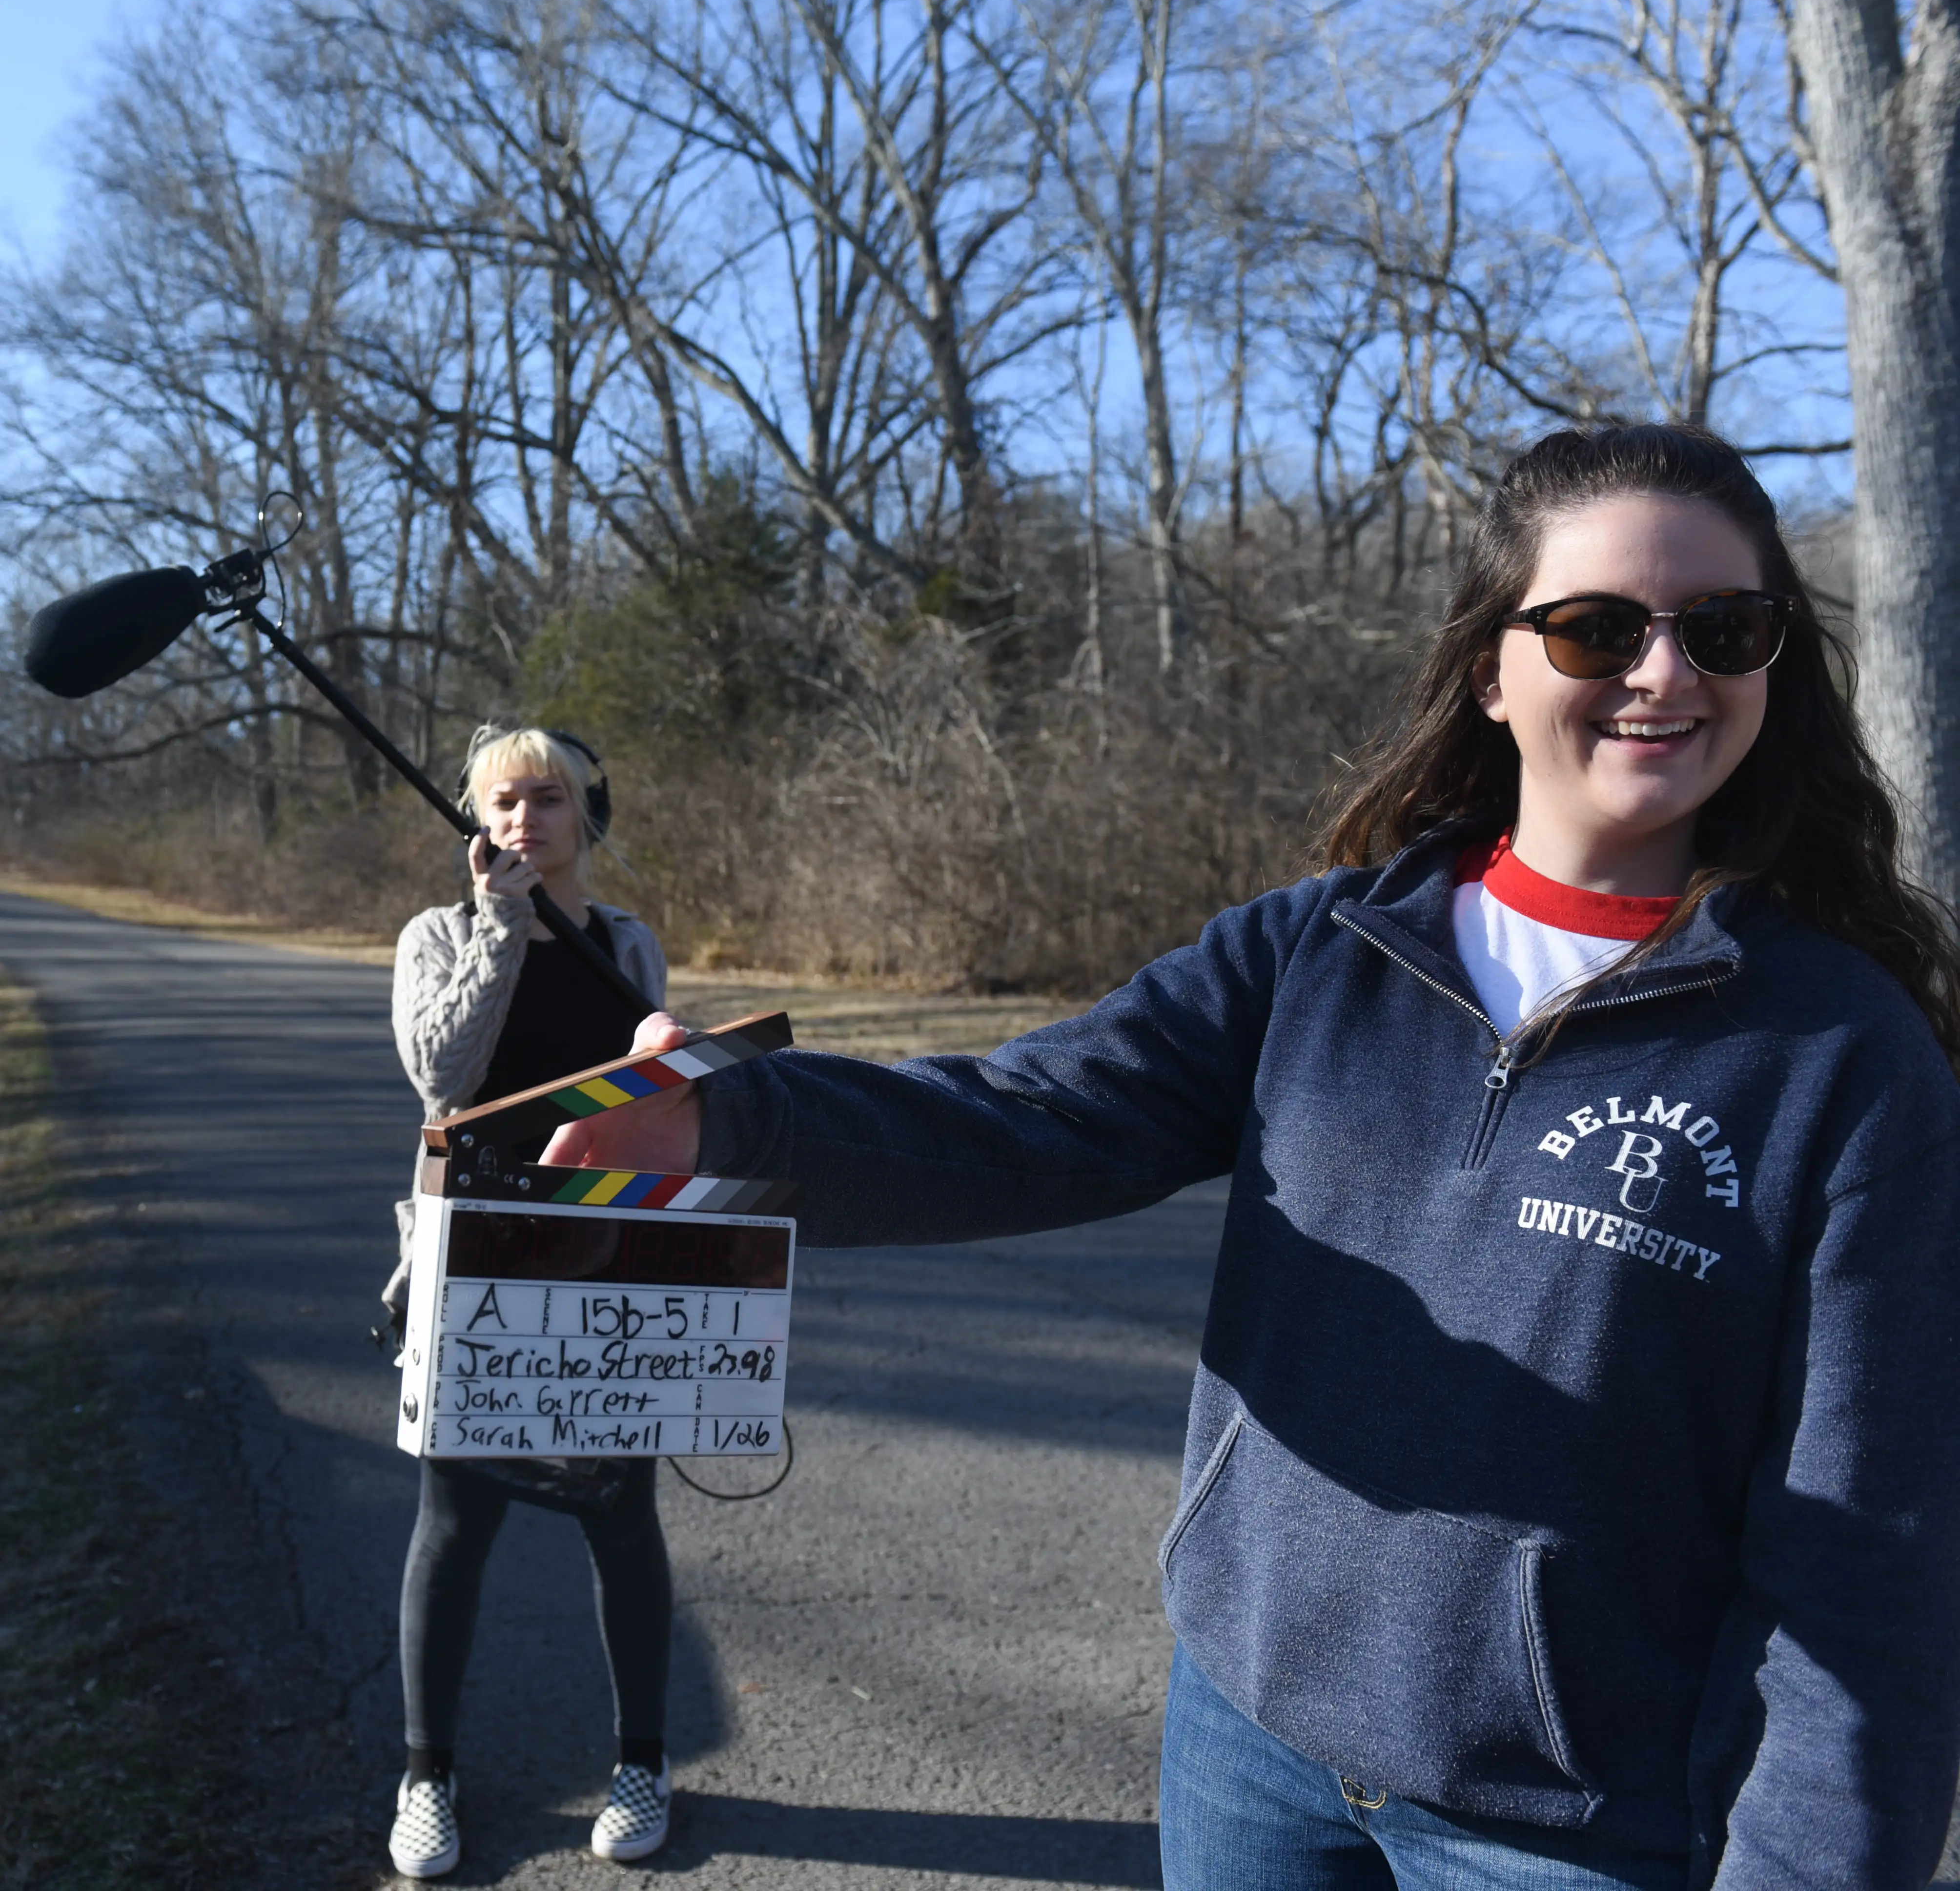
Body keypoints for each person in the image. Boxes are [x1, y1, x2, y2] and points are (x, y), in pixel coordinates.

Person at [538, 426, 1960, 1890]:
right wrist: (735, 1120)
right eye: (1598, 628)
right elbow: (1032, 1119)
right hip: (1249, 1749)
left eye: (1723, 628)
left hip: (1581, 1825)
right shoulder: (1316, 954)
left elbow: (1870, 1565)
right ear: (1491, 666)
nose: (1665, 674)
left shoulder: (1842, 1060)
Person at [383, 724, 674, 1880]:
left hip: (604, 1260)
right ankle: (425, 1776)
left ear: (583, 816)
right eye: (501, 802)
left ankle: (644, 1762)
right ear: (473, 819)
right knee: (456, 1524)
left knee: (619, 1512)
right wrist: (501, 923)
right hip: (473, 1262)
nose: (522, 822)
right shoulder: (438, 934)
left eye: (546, 800)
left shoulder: (626, 942)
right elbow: (442, 1077)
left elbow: (652, 1101)